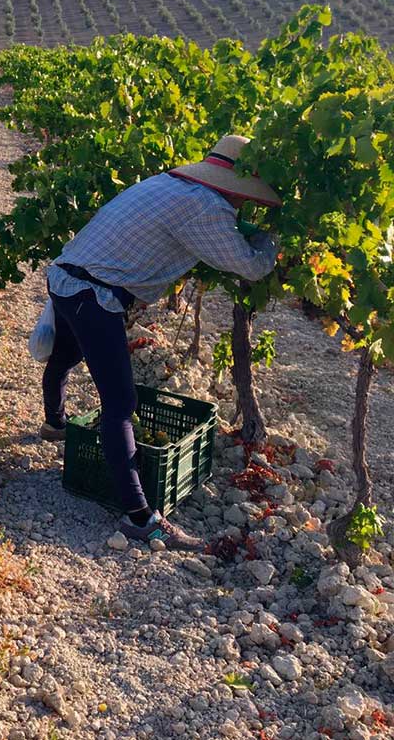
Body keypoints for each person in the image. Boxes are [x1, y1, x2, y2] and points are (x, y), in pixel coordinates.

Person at [39, 135, 281, 550]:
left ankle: (54, 424)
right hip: (92, 297)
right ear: (235, 189)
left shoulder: (173, 186)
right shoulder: (206, 208)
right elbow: (251, 266)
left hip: (67, 276)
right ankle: (140, 516)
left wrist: (247, 228)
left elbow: (223, 228)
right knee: (120, 404)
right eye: (247, 198)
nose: (246, 206)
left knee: (65, 356)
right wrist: (276, 240)